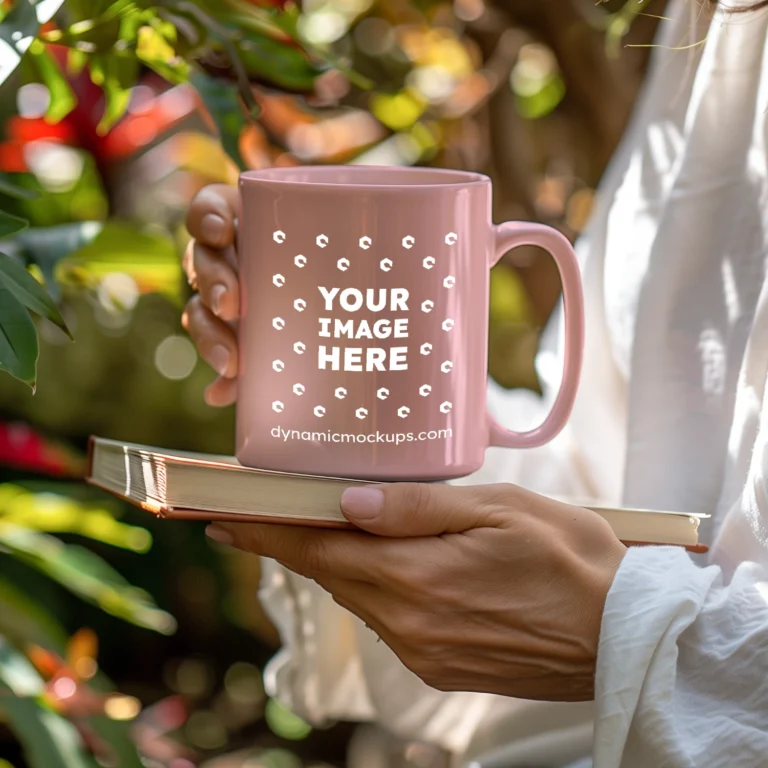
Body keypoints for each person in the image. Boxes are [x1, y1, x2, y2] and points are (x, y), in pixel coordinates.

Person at [180, 1, 768, 765]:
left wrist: (629, 635)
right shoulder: (716, 28)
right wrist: (340, 379)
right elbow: (623, 486)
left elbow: (645, 588)